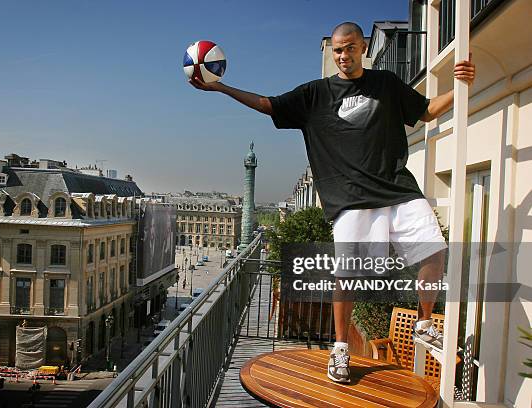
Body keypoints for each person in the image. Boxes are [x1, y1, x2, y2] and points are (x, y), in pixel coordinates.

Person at [189, 21, 475, 384]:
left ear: (363, 49)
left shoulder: (385, 84)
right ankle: (340, 348)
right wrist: (221, 87)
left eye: (350, 48)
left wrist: (460, 85)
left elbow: (427, 111)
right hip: (351, 198)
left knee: (434, 252)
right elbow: (267, 104)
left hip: (398, 189)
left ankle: (422, 323)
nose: (343, 55)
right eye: (338, 50)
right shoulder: (316, 95)